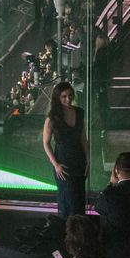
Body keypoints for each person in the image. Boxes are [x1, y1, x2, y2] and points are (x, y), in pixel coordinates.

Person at [42, 83, 89, 219]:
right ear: (58, 98)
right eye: (64, 96)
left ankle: (79, 234)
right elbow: (45, 143)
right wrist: (55, 164)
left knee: (79, 202)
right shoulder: (52, 118)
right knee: (68, 203)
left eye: (70, 95)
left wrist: (88, 159)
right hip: (63, 165)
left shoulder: (79, 112)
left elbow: (83, 138)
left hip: (79, 162)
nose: (68, 99)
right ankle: (67, 235)